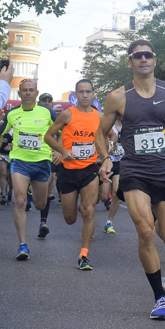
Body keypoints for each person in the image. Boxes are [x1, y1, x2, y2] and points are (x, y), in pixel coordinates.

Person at [96, 40, 165, 320]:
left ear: (155, 59)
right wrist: (105, 158)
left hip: (164, 172)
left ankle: (154, 213)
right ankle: (160, 296)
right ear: (130, 62)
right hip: (134, 171)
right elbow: (100, 133)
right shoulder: (118, 97)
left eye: (148, 54)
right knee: (146, 232)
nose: (143, 59)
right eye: (137, 56)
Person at [0, 79, 59, 260]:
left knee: (40, 204)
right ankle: (23, 245)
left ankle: (35, 194)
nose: (28, 93)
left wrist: (59, 150)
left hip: (42, 162)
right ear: (19, 94)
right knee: (20, 201)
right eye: (24, 90)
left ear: (36, 93)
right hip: (20, 161)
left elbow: (63, 131)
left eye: (31, 90)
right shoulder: (13, 114)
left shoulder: (48, 112)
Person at [44, 79, 102, 271]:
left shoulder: (99, 116)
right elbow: (48, 136)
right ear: (75, 95)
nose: (85, 95)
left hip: (89, 170)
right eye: (81, 92)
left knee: (88, 211)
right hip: (68, 171)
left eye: (88, 92)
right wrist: (62, 150)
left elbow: (110, 135)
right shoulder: (67, 114)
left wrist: (110, 145)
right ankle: (78, 207)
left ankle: (84, 255)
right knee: (70, 218)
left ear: (93, 94)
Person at [102, 125, 123, 234]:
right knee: (104, 196)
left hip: (120, 163)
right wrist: (109, 148)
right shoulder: (110, 125)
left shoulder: (128, 123)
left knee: (116, 192)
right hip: (107, 163)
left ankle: (109, 222)